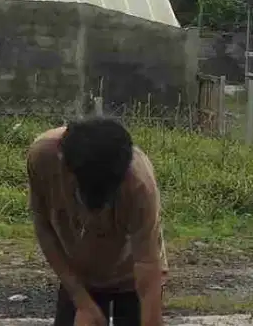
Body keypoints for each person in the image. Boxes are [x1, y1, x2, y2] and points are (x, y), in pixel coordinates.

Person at [27, 117, 167, 326]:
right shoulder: (43, 157)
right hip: (79, 275)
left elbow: (147, 265)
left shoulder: (139, 185)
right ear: (66, 167)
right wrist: (81, 301)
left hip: (131, 277)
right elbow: (43, 226)